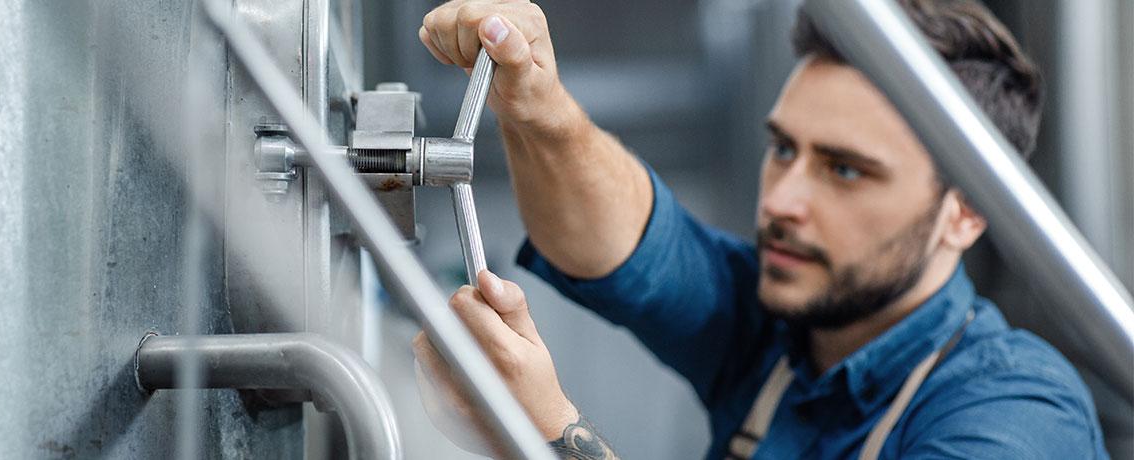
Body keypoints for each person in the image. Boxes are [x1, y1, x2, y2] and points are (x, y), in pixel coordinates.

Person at [410, 0, 1110, 458]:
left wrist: (541, 434)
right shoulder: (782, 320)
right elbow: (621, 240)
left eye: (845, 170)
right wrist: (535, 102)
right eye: (783, 150)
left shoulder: (1015, 416)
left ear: (965, 210)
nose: (782, 201)